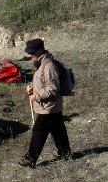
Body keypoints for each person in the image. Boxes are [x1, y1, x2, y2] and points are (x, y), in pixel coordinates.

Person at [18, 38, 72, 168]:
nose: (30, 55)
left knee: (38, 130)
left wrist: (37, 96)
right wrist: (32, 87)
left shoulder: (48, 65)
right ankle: (65, 153)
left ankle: (30, 158)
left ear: (40, 50)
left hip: (49, 106)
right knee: (57, 129)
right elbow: (42, 82)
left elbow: (53, 87)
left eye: (32, 52)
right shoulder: (42, 63)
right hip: (50, 105)